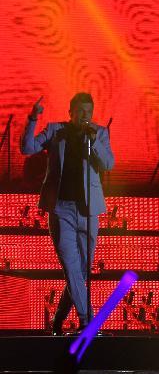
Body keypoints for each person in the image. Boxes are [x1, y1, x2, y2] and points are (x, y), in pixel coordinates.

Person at [20, 93, 115, 335]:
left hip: (89, 210)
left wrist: (93, 143)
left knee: (81, 272)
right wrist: (33, 118)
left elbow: (108, 164)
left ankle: (59, 320)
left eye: (89, 111)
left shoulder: (99, 133)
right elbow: (27, 148)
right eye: (80, 111)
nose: (85, 115)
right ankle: (88, 322)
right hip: (62, 208)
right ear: (70, 111)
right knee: (72, 269)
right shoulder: (55, 131)